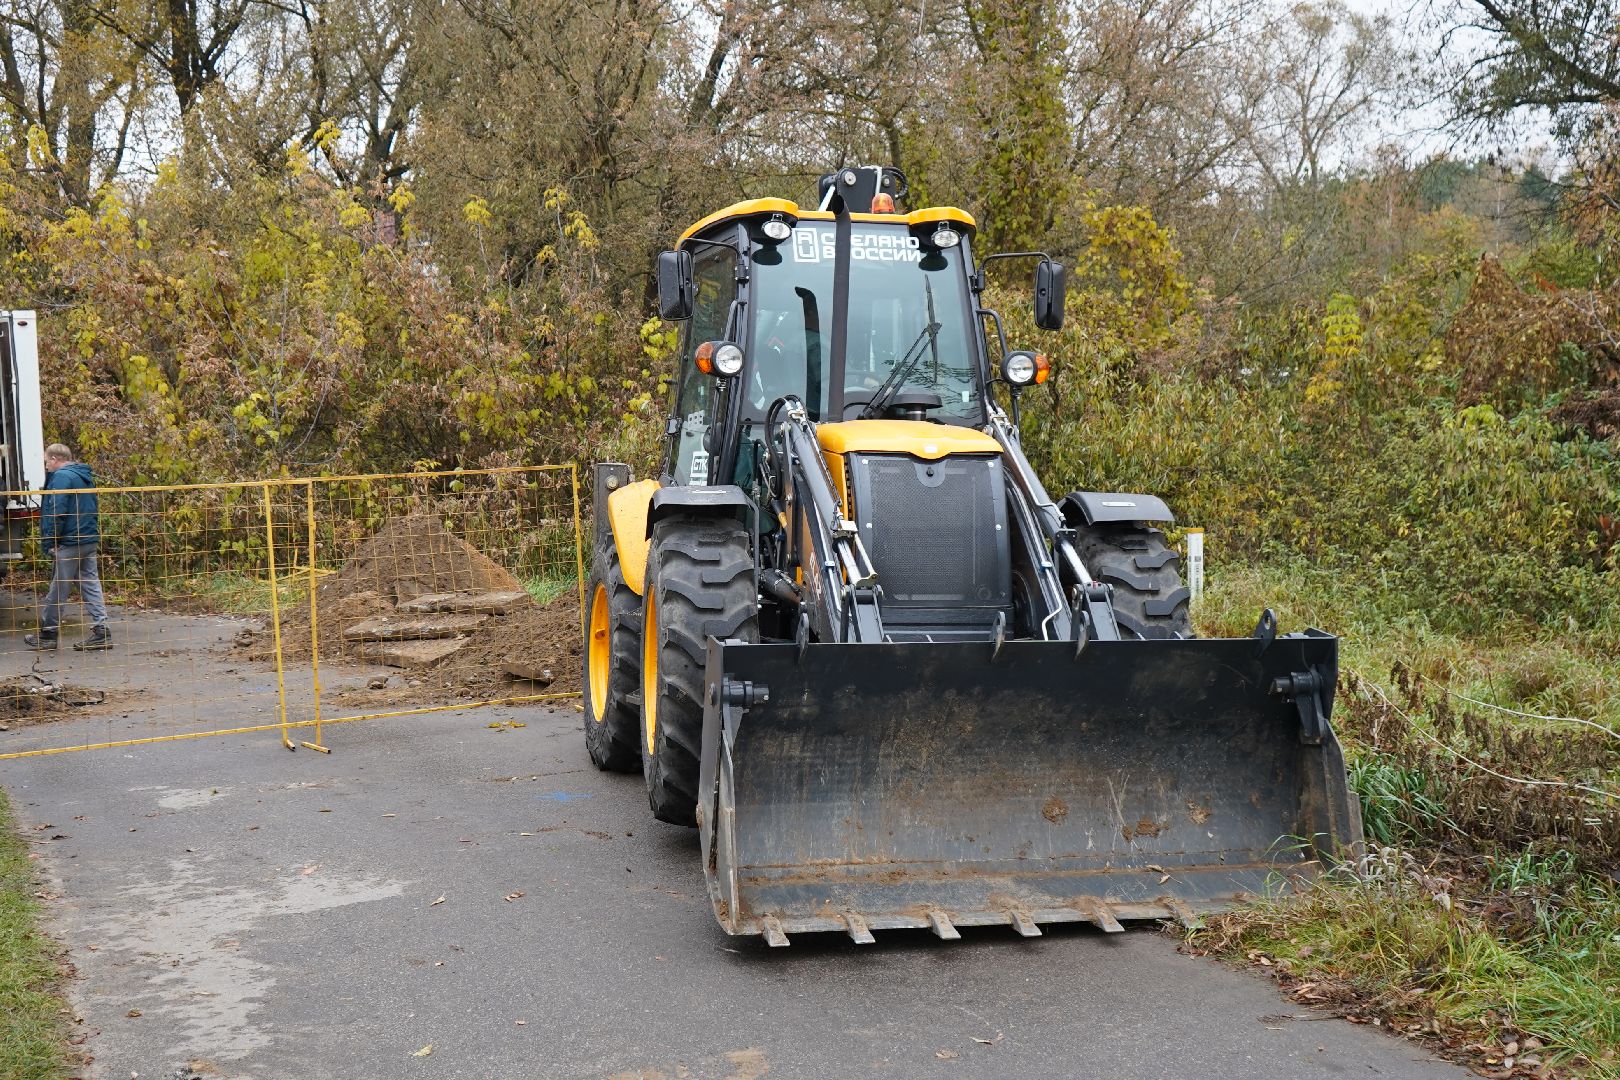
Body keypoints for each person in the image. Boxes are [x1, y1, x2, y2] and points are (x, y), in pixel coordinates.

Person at [24, 444, 111, 650]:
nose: (46, 466)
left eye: (46, 461)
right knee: (90, 583)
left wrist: (52, 541)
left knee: (58, 588)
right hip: (87, 539)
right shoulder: (83, 475)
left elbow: (56, 512)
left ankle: (48, 634)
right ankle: (102, 630)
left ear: (55, 459)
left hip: (69, 541)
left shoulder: (62, 478)